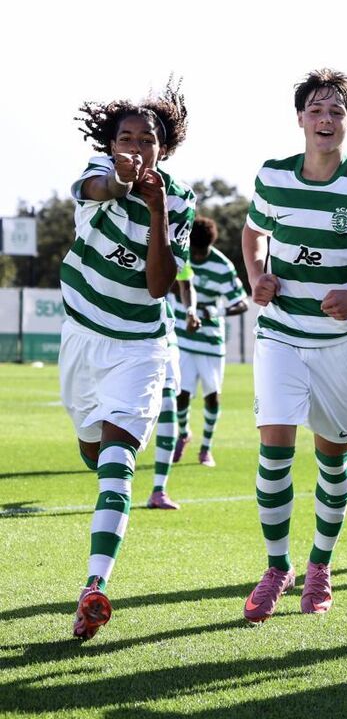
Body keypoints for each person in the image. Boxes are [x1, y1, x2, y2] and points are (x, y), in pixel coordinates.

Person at [240, 69, 347, 622]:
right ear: (300, 118)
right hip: (281, 334)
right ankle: (276, 567)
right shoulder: (273, 176)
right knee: (274, 452)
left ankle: (320, 565)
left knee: (333, 458)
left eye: (336, 111)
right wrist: (257, 276)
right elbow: (253, 233)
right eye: (316, 109)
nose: (325, 119)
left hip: (340, 344)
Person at [61, 78, 195, 639]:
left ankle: (94, 587)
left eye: (147, 140)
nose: (136, 148)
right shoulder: (98, 171)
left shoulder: (180, 199)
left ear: (164, 147)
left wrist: (158, 208)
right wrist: (122, 179)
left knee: (118, 459)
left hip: (140, 345)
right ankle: (96, 460)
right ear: (111, 143)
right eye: (127, 139)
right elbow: (102, 187)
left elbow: (160, 285)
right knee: (93, 452)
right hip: (82, 336)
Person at [170, 216, 248, 468]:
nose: (196, 255)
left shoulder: (222, 266)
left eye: (200, 251)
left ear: (209, 245)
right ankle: (183, 434)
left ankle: (206, 448)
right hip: (183, 336)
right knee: (181, 394)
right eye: (193, 250)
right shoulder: (182, 256)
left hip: (211, 341)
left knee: (212, 396)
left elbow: (241, 303)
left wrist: (217, 311)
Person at [148, 275, 199, 510]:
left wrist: (190, 310)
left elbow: (186, 284)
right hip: (121, 334)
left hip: (163, 334)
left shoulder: (176, 250)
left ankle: (159, 490)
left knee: (169, 404)